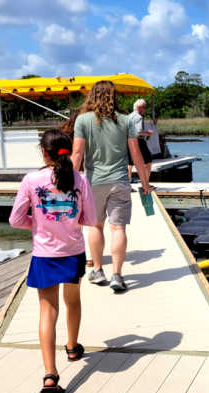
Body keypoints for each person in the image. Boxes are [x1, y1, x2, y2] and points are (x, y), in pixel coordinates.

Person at [9, 129, 97, 393]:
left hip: (44, 255)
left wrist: (36, 224)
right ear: (67, 151)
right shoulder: (80, 179)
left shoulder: (31, 179)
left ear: (43, 153)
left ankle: (50, 374)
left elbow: (15, 219)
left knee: (48, 311)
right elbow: (91, 219)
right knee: (73, 301)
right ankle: (72, 347)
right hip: (72, 252)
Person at [71, 81, 151, 292]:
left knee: (96, 226)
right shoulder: (126, 121)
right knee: (118, 228)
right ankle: (117, 275)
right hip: (120, 181)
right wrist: (145, 184)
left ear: (93, 96)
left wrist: (67, 182)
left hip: (93, 182)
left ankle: (97, 270)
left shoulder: (83, 120)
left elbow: (77, 155)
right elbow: (136, 155)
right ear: (114, 97)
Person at [128, 99, 154, 183]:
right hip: (138, 141)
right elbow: (138, 132)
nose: (145, 109)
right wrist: (148, 133)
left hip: (127, 141)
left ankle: (128, 184)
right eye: (144, 107)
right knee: (148, 162)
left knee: (129, 164)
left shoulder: (129, 116)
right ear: (139, 108)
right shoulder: (139, 117)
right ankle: (145, 184)